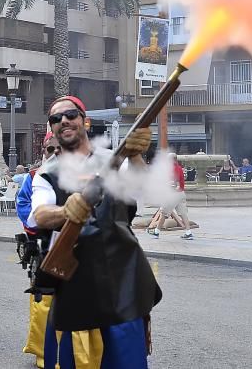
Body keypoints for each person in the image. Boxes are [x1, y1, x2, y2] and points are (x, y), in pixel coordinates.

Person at [28, 95, 160, 368]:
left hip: (122, 279)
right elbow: (40, 215)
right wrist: (65, 212)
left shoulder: (115, 159)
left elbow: (146, 189)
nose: (64, 120)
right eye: (56, 118)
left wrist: (135, 155)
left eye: (71, 115)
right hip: (76, 284)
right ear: (51, 128)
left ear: (84, 120)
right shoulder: (45, 174)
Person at [17, 133, 60, 369]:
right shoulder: (33, 177)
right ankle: (44, 352)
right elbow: (23, 204)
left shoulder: (80, 174)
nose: (53, 153)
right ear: (43, 151)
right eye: (49, 149)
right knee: (44, 302)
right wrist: (42, 221)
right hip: (43, 247)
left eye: (58, 148)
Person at [147, 153, 193, 240]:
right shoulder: (179, 168)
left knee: (164, 213)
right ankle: (188, 232)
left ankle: (156, 232)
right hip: (181, 194)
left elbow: (173, 183)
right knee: (183, 214)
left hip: (173, 194)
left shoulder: (172, 169)